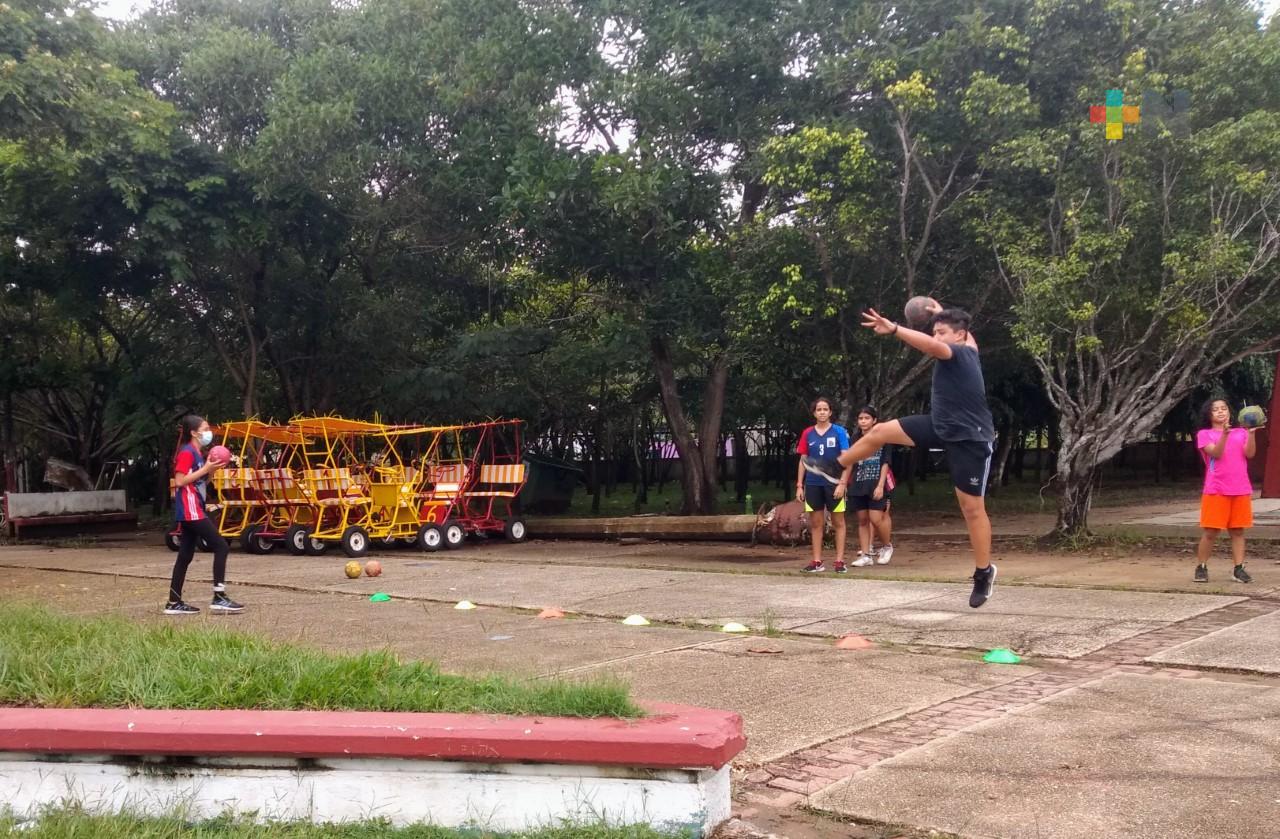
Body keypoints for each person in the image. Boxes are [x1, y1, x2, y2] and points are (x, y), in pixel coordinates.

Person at [837, 307, 998, 607]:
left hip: (970, 439)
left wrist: (895, 328)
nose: (936, 337)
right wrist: (940, 310)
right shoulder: (969, 345)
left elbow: (931, 346)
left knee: (972, 509)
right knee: (880, 431)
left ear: (959, 336)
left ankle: (983, 572)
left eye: (942, 332)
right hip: (940, 426)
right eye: (935, 331)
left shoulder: (960, 354)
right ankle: (836, 466)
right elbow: (955, 335)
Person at [166, 414, 245, 615]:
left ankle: (174, 602)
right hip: (190, 509)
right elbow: (181, 481)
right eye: (205, 428)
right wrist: (206, 468)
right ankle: (219, 597)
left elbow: (200, 483)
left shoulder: (197, 453)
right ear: (193, 432)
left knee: (185, 555)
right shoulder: (186, 453)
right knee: (220, 546)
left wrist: (211, 471)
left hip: (192, 508)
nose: (208, 432)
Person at [1193, 399, 1260, 584]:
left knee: (1238, 531)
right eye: (1215, 410)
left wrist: (1251, 434)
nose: (1221, 412)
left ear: (1230, 412)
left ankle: (1239, 568)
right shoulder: (1204, 434)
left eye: (1224, 409)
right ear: (1209, 414)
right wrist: (1224, 434)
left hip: (1240, 487)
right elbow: (1216, 453)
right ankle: (1202, 567)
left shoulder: (1240, 433)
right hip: (1216, 489)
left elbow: (1250, 453)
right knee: (1211, 531)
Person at [795, 397, 853, 573]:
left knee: (838, 521)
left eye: (825, 409)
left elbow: (848, 459)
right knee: (816, 523)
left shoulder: (839, 432)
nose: (822, 412)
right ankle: (817, 561)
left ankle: (839, 561)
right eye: (818, 409)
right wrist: (799, 485)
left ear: (830, 412)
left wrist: (842, 483)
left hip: (834, 483)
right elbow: (803, 460)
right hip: (813, 483)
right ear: (814, 413)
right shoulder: (808, 433)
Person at [848, 406, 895, 567]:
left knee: (876, 518)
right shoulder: (854, 438)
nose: (863, 421)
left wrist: (881, 485)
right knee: (862, 520)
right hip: (859, 482)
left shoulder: (883, 437)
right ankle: (866, 554)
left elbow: (885, 462)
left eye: (866, 418)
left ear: (874, 420)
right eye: (860, 419)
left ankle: (887, 546)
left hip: (876, 482)